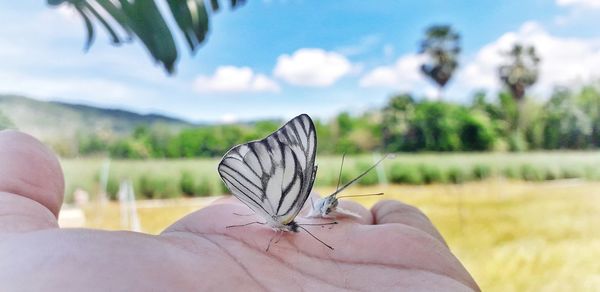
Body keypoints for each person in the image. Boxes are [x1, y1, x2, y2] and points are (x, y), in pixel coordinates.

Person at [0, 130, 479, 291]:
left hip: (261, 193)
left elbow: (296, 226)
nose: (294, 231)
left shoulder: (291, 215)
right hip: (262, 191)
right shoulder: (288, 211)